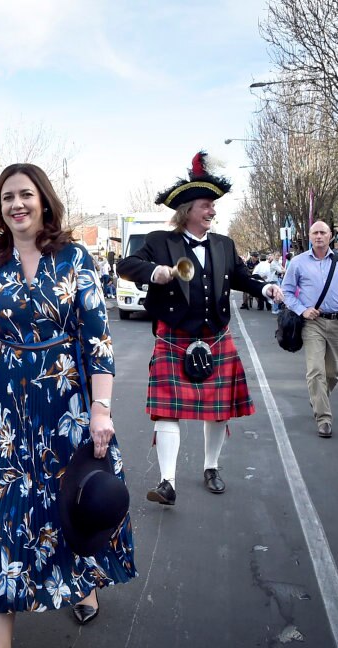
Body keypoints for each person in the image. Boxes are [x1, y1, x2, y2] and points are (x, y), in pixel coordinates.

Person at [0, 163, 136, 648]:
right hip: (11, 408)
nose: (16, 204)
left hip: (67, 401)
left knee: (71, 502)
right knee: (6, 514)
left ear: (43, 200)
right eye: (8, 197)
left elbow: (98, 341)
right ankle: (1, 647)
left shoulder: (74, 257)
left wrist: (101, 410)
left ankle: (82, 584)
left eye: (25, 195)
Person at [117, 151, 283, 500]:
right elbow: (127, 265)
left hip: (215, 336)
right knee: (166, 410)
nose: (212, 211)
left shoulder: (224, 244)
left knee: (218, 408)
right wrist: (154, 272)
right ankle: (168, 482)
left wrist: (263, 288)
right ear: (188, 210)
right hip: (175, 335)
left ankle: (211, 466)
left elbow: (238, 275)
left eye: (213, 206)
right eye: (207, 205)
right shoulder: (161, 242)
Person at [280, 221, 338, 438]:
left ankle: (318, 397)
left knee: (332, 373)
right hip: (312, 324)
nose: (319, 236)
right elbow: (287, 292)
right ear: (310, 236)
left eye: (323, 233)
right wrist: (302, 310)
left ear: (331, 236)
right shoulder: (298, 262)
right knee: (316, 370)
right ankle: (324, 419)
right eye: (315, 233)